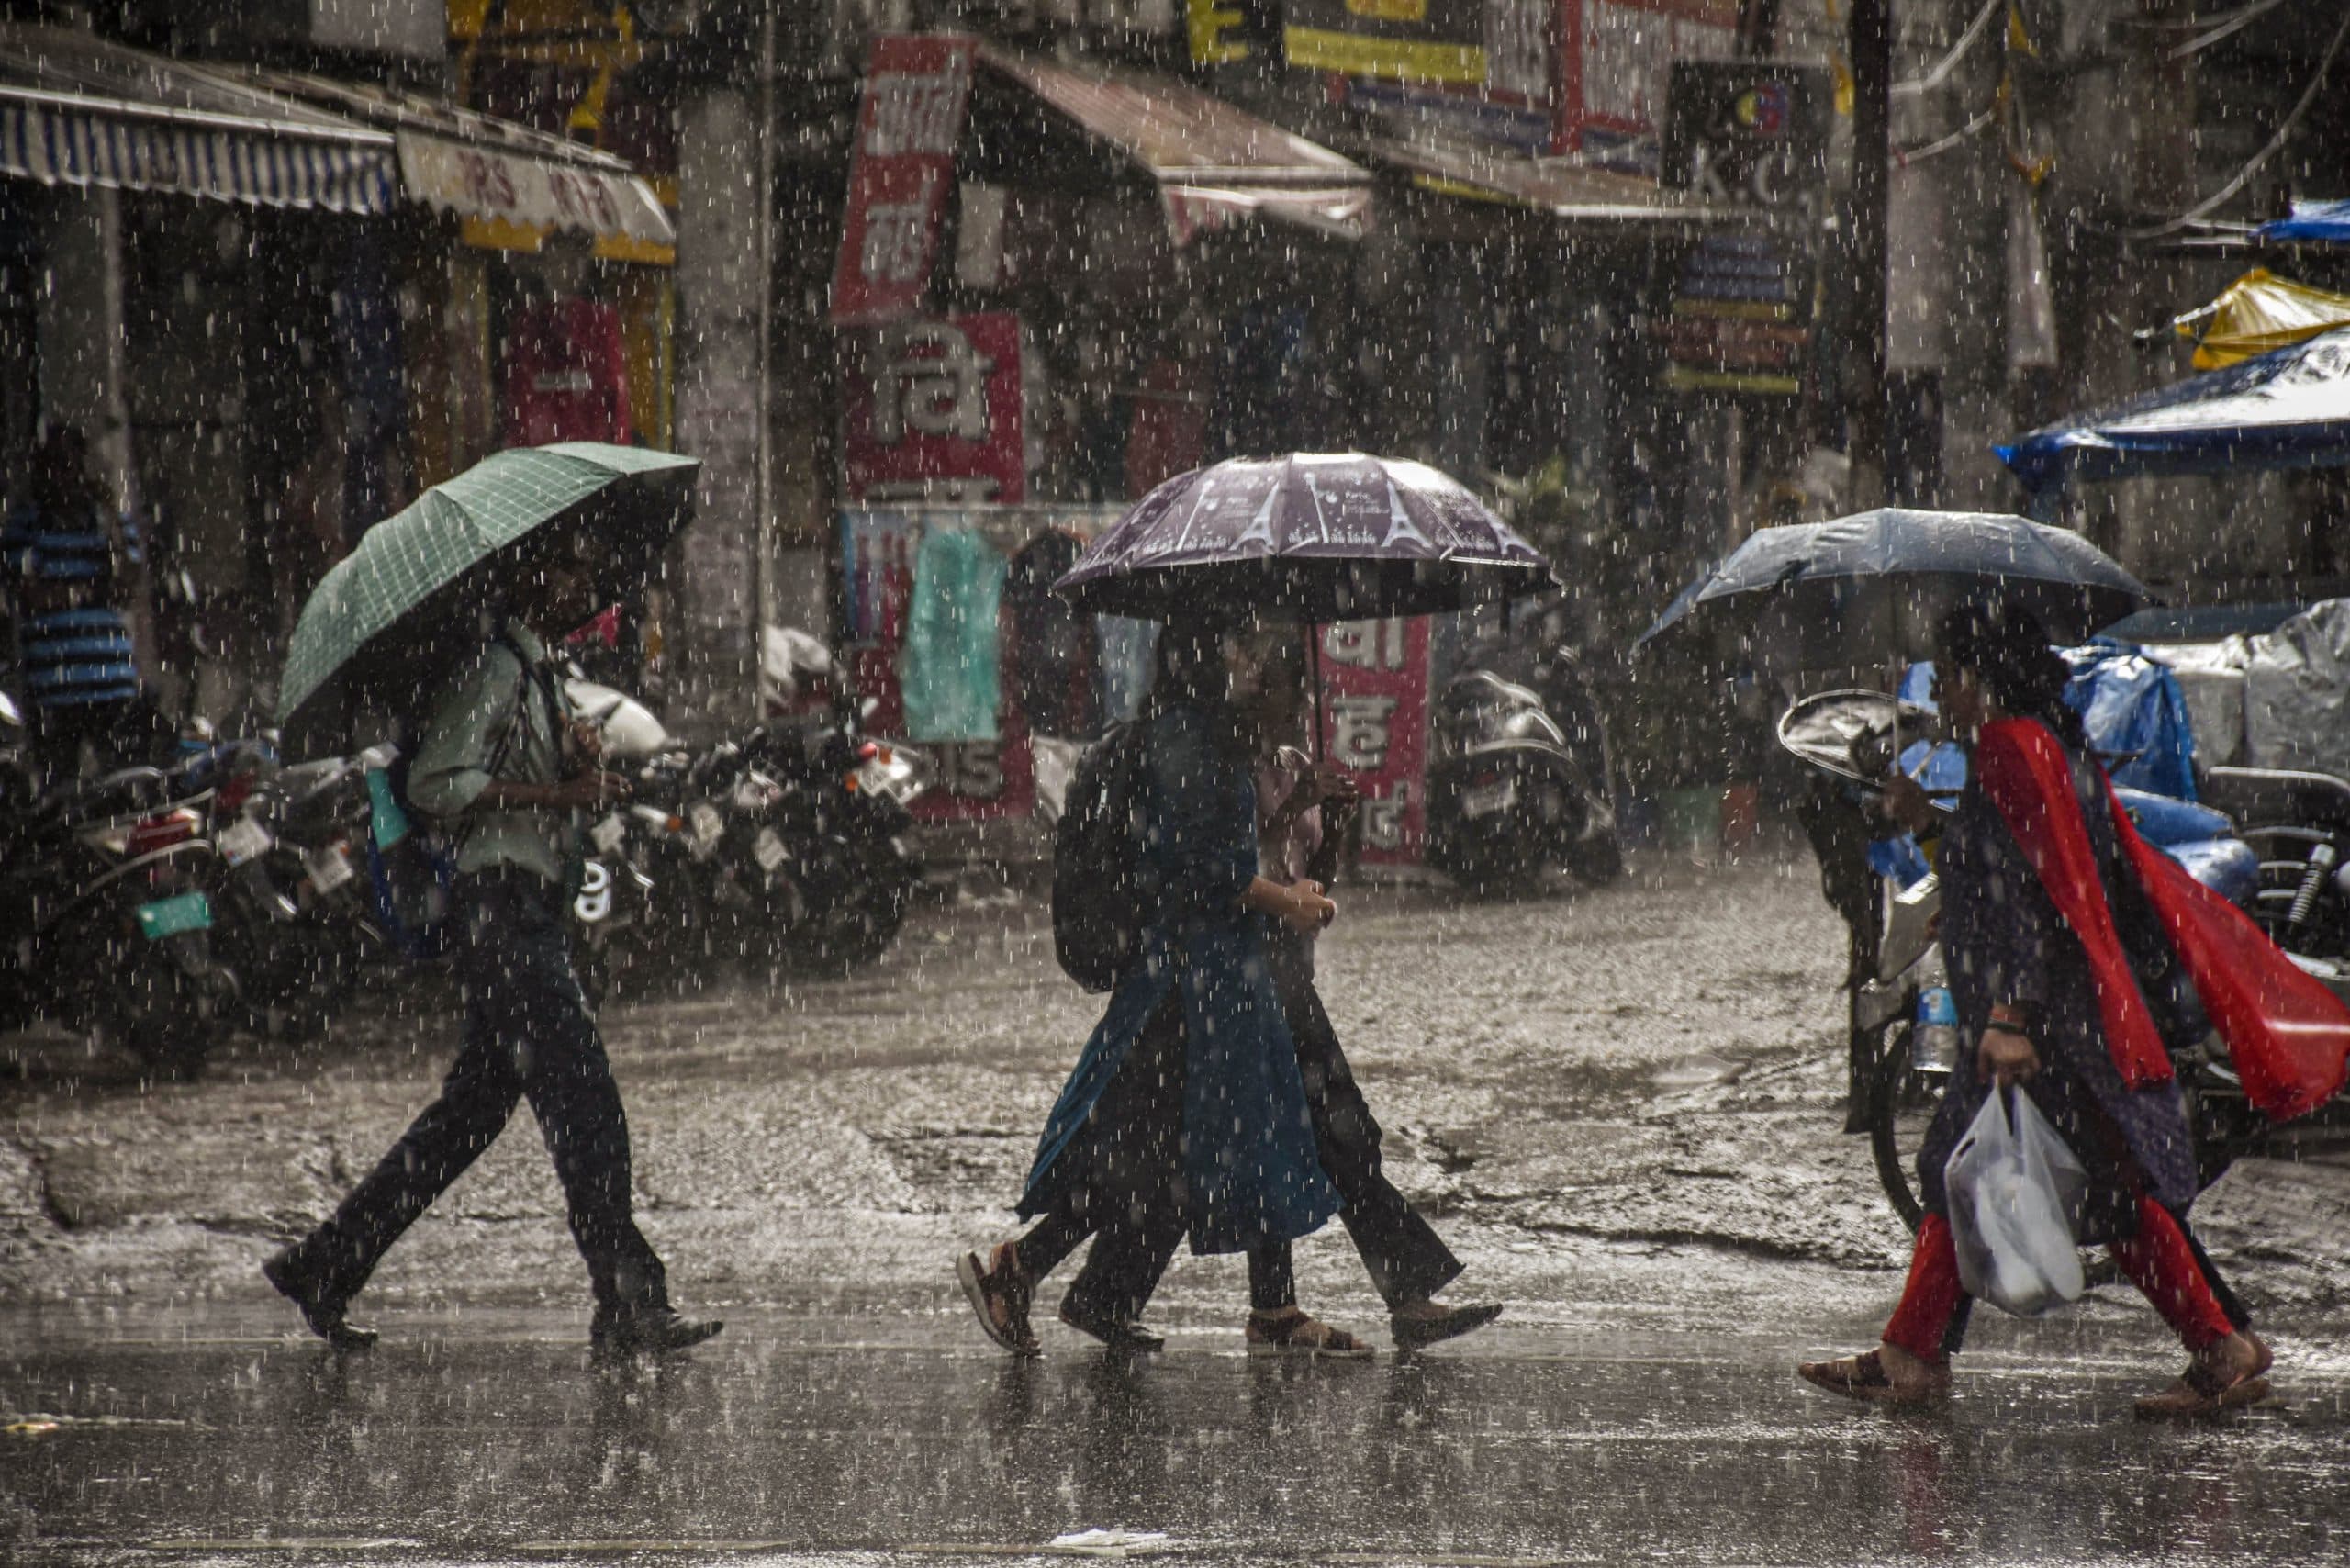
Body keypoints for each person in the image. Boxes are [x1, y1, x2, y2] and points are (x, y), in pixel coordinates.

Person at [1798, 600, 2268, 1417]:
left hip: (2046, 1027)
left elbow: (2027, 894)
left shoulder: (2011, 751)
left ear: (1980, 678)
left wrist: (2011, 1017)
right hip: (2059, 1015)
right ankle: (1911, 1353)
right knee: (1962, 1167)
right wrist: (1930, 824)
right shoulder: (2046, 745)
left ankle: (2221, 1345)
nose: (1940, 694)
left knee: (2109, 1195)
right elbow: (2001, 865)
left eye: (1948, 676)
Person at [264, 535, 721, 1357]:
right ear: (535, 580)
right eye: (573, 567)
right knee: (587, 1104)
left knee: (465, 1120)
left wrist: (578, 774)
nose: (587, 580)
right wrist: (558, 789)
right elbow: (439, 784)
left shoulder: (536, 673)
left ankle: (325, 1264)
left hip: (523, 913)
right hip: (501, 917)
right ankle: (629, 1300)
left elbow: (528, 797)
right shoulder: (497, 670)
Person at [957, 619, 1341, 1354]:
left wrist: (1294, 825)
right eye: (1235, 651)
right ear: (1204, 661)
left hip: (1210, 982)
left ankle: (1092, 1287)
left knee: (1185, 1151)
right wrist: (1288, 900)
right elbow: (1205, 872)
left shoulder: (1196, 733)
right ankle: (1025, 1268)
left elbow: (1216, 855)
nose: (1245, 665)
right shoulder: (1189, 742)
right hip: (1192, 991)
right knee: (1162, 1151)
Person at [1230, 629, 1504, 1354]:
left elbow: (1316, 883)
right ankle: (1354, 1301)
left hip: (1292, 972)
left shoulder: (1293, 765)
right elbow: (1236, 871)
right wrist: (1291, 812)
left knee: (1323, 1133)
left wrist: (1335, 825)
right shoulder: (1236, 771)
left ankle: (1309, 1305)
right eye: (1287, 690)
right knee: (1325, 1132)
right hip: (1255, 976)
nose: (1299, 705)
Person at [1, 427, 169, 785]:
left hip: (111, 683)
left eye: (70, 466)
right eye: (54, 466)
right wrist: (90, 592)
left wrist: (109, 517)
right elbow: (31, 594)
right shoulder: (27, 525)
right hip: (55, 686)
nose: (63, 478)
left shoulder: (106, 523)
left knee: (124, 782)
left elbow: (127, 583)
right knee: (59, 785)